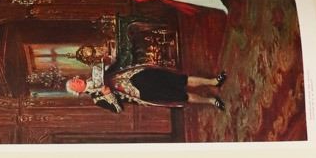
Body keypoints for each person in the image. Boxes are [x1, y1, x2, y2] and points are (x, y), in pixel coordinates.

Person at [66, 66, 226, 110]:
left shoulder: (95, 72)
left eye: (75, 79)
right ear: (77, 92)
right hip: (141, 93)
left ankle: (213, 81)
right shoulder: (96, 99)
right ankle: (211, 101)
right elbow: (117, 109)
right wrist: (108, 95)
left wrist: (108, 62)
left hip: (139, 75)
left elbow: (114, 64)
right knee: (181, 96)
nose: (77, 81)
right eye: (75, 84)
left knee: (181, 80)